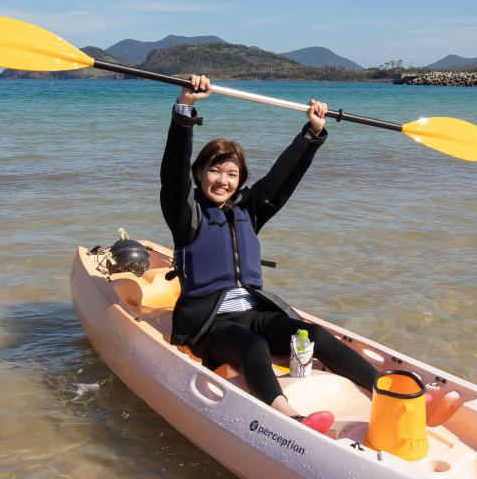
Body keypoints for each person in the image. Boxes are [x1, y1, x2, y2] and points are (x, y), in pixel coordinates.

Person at [161, 75, 380, 431]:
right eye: (214, 170)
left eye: (232, 174)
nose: (222, 180)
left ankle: (386, 390)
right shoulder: (187, 215)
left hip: (255, 312)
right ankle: (288, 415)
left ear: (240, 180)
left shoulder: (249, 210)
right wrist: (184, 110)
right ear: (199, 173)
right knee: (252, 347)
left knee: (314, 335)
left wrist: (312, 133)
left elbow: (282, 178)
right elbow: (172, 173)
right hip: (208, 324)